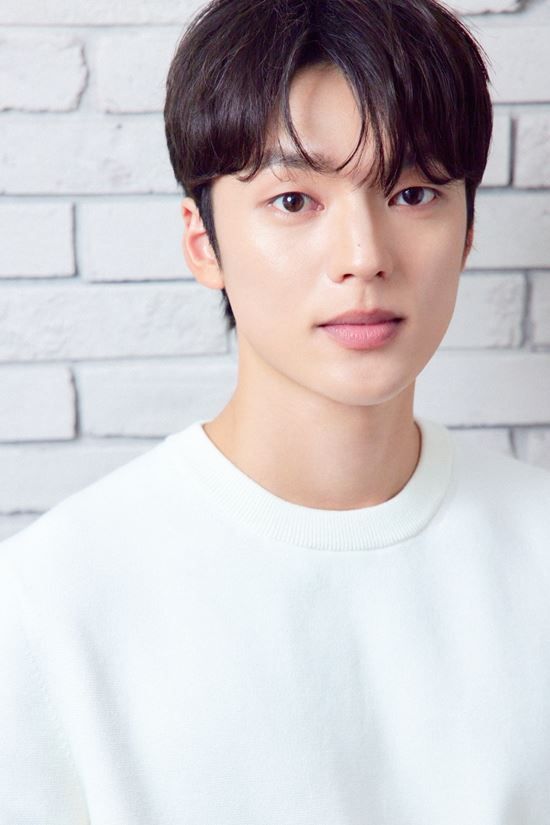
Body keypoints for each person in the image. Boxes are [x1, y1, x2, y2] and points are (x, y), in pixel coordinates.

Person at [1, 0, 550, 822]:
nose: (364, 258)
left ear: (468, 228)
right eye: (294, 201)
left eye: (412, 192)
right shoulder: (50, 604)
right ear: (204, 244)